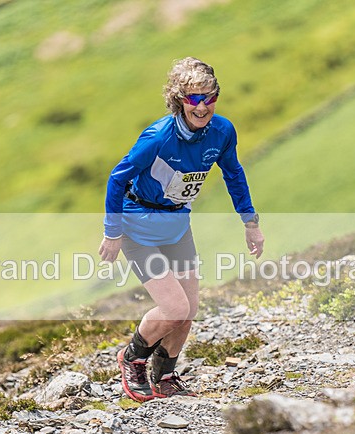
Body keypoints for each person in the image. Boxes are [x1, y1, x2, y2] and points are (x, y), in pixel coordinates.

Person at [99, 57, 264, 402]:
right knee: (173, 309)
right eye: (194, 99)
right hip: (138, 227)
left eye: (209, 97)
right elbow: (117, 178)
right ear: (179, 100)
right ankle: (132, 358)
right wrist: (112, 232)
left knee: (188, 311)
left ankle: (164, 375)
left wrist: (250, 223)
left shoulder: (222, 132)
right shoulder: (158, 137)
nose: (202, 107)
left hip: (177, 226)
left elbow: (234, 174)